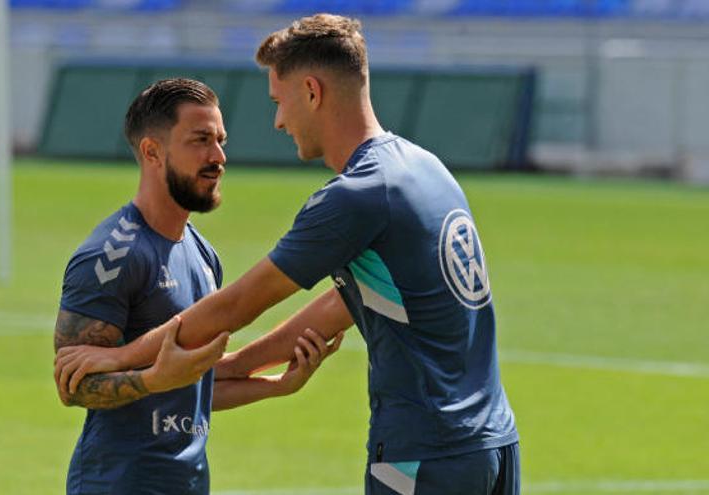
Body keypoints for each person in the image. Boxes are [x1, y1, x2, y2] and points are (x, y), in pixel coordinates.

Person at [56, 14, 519, 495]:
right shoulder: (425, 168)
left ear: (312, 92)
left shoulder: (355, 194)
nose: (278, 121)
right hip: (492, 443)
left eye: (279, 101)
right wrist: (246, 369)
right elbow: (341, 305)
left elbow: (239, 305)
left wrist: (120, 358)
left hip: (425, 449)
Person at [53, 77, 343, 495]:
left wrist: (276, 386)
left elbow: (192, 384)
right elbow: (74, 387)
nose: (219, 156)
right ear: (152, 151)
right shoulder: (111, 257)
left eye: (221, 140)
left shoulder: (203, 254)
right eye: (201, 140)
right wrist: (153, 379)